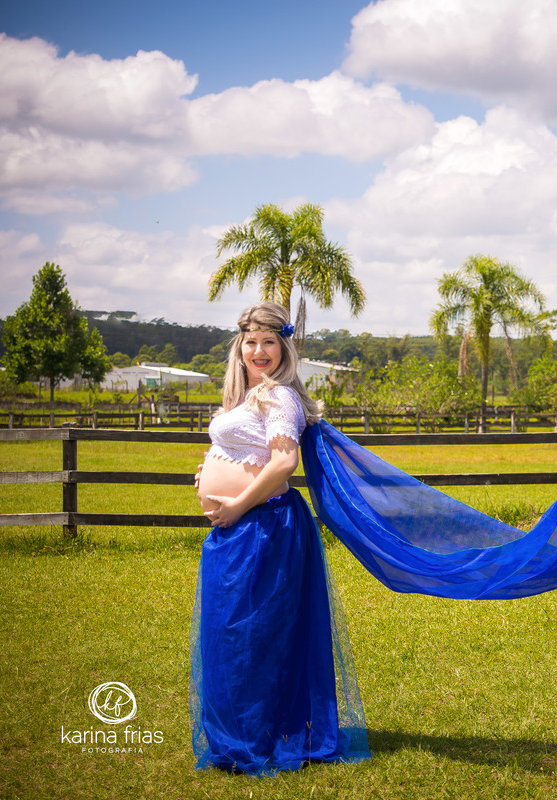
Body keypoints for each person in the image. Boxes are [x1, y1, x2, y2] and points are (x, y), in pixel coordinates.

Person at [191, 301, 368, 775]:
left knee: (254, 633)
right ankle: (240, 733)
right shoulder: (249, 395)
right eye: (252, 342)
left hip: (265, 528)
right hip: (241, 526)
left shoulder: (278, 397)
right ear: (239, 347)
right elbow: (246, 450)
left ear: (283, 346)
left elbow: (284, 463)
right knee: (230, 633)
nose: (260, 350)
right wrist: (213, 471)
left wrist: (237, 502)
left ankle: (261, 734)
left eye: (270, 342)